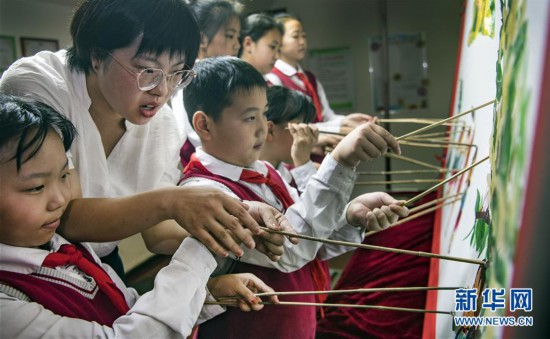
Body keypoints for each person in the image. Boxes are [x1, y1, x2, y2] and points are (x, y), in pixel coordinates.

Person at [0, 0, 288, 279]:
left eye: (176, 74)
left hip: (98, 263)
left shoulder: (163, 126)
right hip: (27, 263)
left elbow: (158, 233)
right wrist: (173, 201)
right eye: (147, 70)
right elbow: (66, 217)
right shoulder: (38, 85)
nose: (162, 90)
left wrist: (238, 225)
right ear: (97, 55)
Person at [0, 94, 278, 338]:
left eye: (64, 176)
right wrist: (201, 248)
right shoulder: (7, 301)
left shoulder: (64, 246)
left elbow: (130, 310)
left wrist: (207, 294)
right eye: (36, 187)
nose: (60, 199)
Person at [178, 56, 409, 338]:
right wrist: (339, 162)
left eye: (264, 114)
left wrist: (350, 217)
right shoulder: (202, 193)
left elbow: (312, 245)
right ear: (204, 125)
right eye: (250, 117)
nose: (264, 127)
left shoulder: (266, 171)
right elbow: (290, 251)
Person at [265, 13, 375, 152]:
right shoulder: (273, 79)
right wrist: (340, 129)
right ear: (278, 42)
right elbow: (289, 128)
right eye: (295, 36)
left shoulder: (309, 77)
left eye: (304, 36)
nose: (302, 41)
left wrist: (346, 121)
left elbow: (325, 117)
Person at [173, 0, 244, 167]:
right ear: (202, 39)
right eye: (230, 36)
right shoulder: (190, 78)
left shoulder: (223, 77)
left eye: (238, 37)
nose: (237, 44)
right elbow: (195, 136)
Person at [260, 85, 319, 193]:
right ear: (270, 130)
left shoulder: (291, 174)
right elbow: (317, 209)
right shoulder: (254, 182)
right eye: (300, 128)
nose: (307, 136)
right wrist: (303, 164)